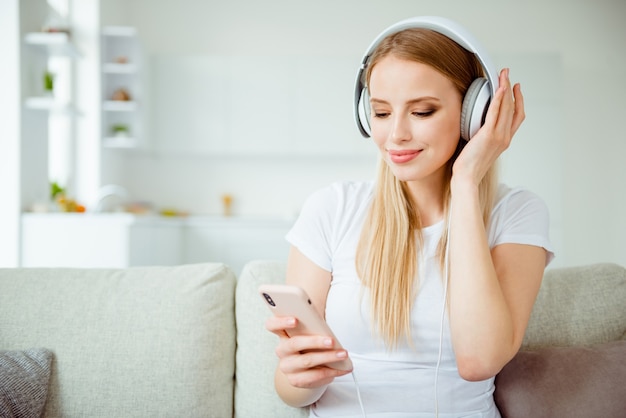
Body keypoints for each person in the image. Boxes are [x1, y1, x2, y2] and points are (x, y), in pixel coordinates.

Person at [265, 16, 554, 417]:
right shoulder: (331, 208)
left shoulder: (517, 213)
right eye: (381, 113)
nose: (396, 135)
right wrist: (298, 379)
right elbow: (292, 391)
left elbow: (478, 361)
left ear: (476, 113)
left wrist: (466, 183)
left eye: (422, 111)